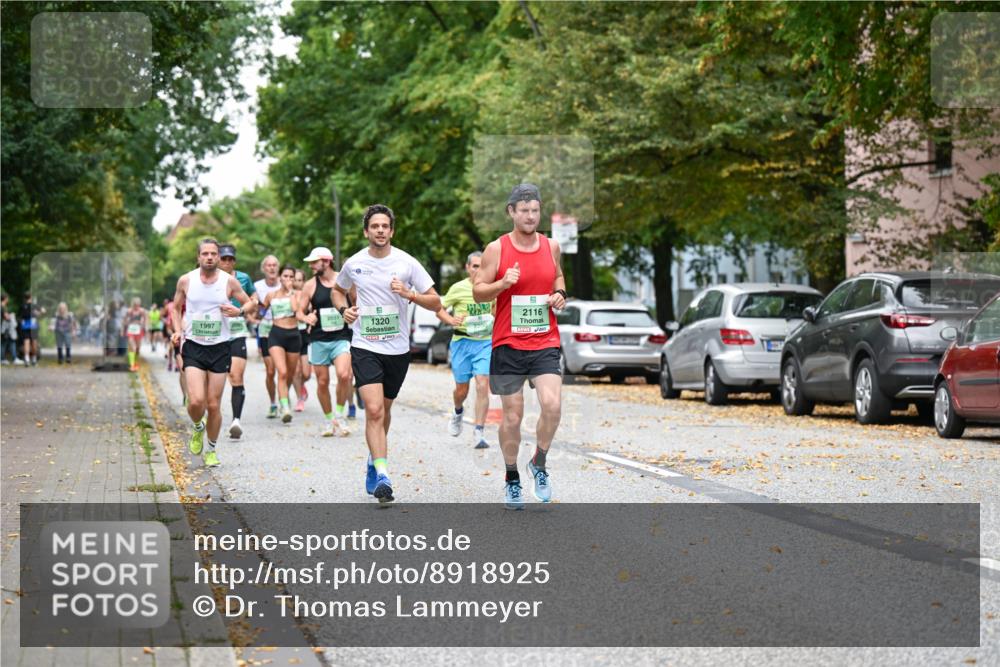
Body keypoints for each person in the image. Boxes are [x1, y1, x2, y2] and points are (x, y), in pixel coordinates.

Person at [333, 204, 441, 503]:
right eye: (374, 226)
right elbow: (336, 289)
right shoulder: (354, 263)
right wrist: (345, 310)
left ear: (391, 231)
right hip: (365, 345)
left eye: (385, 226)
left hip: (397, 349)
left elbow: (435, 301)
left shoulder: (407, 263)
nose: (380, 230)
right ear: (367, 230)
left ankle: (372, 457)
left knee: (386, 409)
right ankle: (382, 474)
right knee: (375, 410)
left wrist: (410, 294)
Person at [473, 183, 567, 510]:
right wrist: (502, 283)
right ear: (511, 212)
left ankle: (538, 463)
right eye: (523, 210)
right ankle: (512, 476)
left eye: (535, 210)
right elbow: (478, 292)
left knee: (552, 405)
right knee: (513, 416)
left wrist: (560, 295)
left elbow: (558, 278)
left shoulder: (551, 246)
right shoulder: (496, 249)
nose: (530, 216)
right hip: (508, 344)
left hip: (544, 340)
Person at [170, 238, 252, 467]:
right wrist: (177, 331)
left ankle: (212, 449)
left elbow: (250, 303)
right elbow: (176, 308)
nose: (209, 257)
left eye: (213, 254)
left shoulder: (229, 282)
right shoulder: (186, 280)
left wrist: (239, 311)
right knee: (196, 401)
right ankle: (198, 427)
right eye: (205, 253)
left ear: (218, 257)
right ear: (198, 257)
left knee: (213, 404)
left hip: (220, 347)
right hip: (194, 346)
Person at [437, 251, 494, 449]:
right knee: (462, 390)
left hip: (485, 342)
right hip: (462, 342)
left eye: (482, 266)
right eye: (475, 266)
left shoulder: (490, 287)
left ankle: (479, 431)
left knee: (482, 383)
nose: (478, 270)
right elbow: (439, 308)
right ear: (468, 268)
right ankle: (458, 411)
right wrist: (451, 320)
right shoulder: (458, 288)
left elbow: (496, 309)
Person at [297, 246, 352, 437]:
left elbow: (356, 301)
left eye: (314, 262)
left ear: (326, 262)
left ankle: (339, 414)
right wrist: (306, 319)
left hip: (341, 337)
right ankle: (329, 420)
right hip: (319, 338)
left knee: (344, 375)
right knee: (322, 382)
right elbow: (299, 311)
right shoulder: (310, 285)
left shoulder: (344, 280)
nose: (311, 266)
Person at [218, 244, 258, 440]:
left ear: (234, 260)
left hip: (236, 330)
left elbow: (253, 298)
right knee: (216, 380)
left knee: (235, 376)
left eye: (230, 259)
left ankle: (236, 420)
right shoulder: (210, 279)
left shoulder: (243, 278)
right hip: (215, 333)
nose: (226, 262)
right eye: (223, 259)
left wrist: (242, 311)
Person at [260, 265, 302, 423]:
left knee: (290, 374)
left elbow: (296, 310)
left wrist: (291, 292)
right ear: (280, 277)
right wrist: (255, 312)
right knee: (282, 372)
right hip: (276, 334)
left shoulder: (298, 294)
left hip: (293, 335)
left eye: (292, 277)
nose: (289, 280)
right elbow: (261, 311)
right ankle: (284, 407)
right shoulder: (271, 295)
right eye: (286, 276)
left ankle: (284, 396)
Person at [254, 255, 282, 418]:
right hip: (265, 329)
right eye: (268, 265)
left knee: (285, 371)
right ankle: (273, 402)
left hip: (284, 328)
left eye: (274, 265)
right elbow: (255, 312)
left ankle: (284, 395)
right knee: (271, 370)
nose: (271, 268)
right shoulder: (257, 287)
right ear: (264, 269)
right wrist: (257, 310)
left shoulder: (284, 283)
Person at [292, 268, 312, 412]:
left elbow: (312, 312)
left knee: (306, 373)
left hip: (304, 334)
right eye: (295, 280)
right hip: (291, 333)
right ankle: (299, 399)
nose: (297, 283)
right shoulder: (287, 295)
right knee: (296, 371)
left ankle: (302, 386)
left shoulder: (307, 295)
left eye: (300, 280)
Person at [18, 292, 44, 365]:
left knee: (26, 342)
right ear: (31, 297)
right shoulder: (34, 305)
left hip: (25, 325)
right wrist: (39, 314)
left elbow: (19, 316)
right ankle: (34, 358)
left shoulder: (22, 306)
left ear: (25, 298)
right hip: (33, 325)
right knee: (34, 342)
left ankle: (26, 358)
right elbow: (43, 311)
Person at [122, 297, 147, 371]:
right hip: (131, 330)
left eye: (137, 305)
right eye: (135, 305)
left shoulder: (142, 311)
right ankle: (132, 365)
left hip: (139, 331)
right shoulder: (129, 311)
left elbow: (145, 320)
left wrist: (144, 326)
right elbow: (125, 321)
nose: (136, 306)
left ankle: (136, 363)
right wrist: (124, 329)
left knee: (138, 349)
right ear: (133, 304)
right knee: (133, 347)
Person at [1, 294, 18, 364]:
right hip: (4, 328)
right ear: (5, 299)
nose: (8, 300)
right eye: (7, 298)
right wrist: (12, 316)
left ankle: (12, 358)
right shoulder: (3, 307)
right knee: (4, 343)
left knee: (5, 343)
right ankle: (2, 359)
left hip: (3, 328)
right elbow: (6, 317)